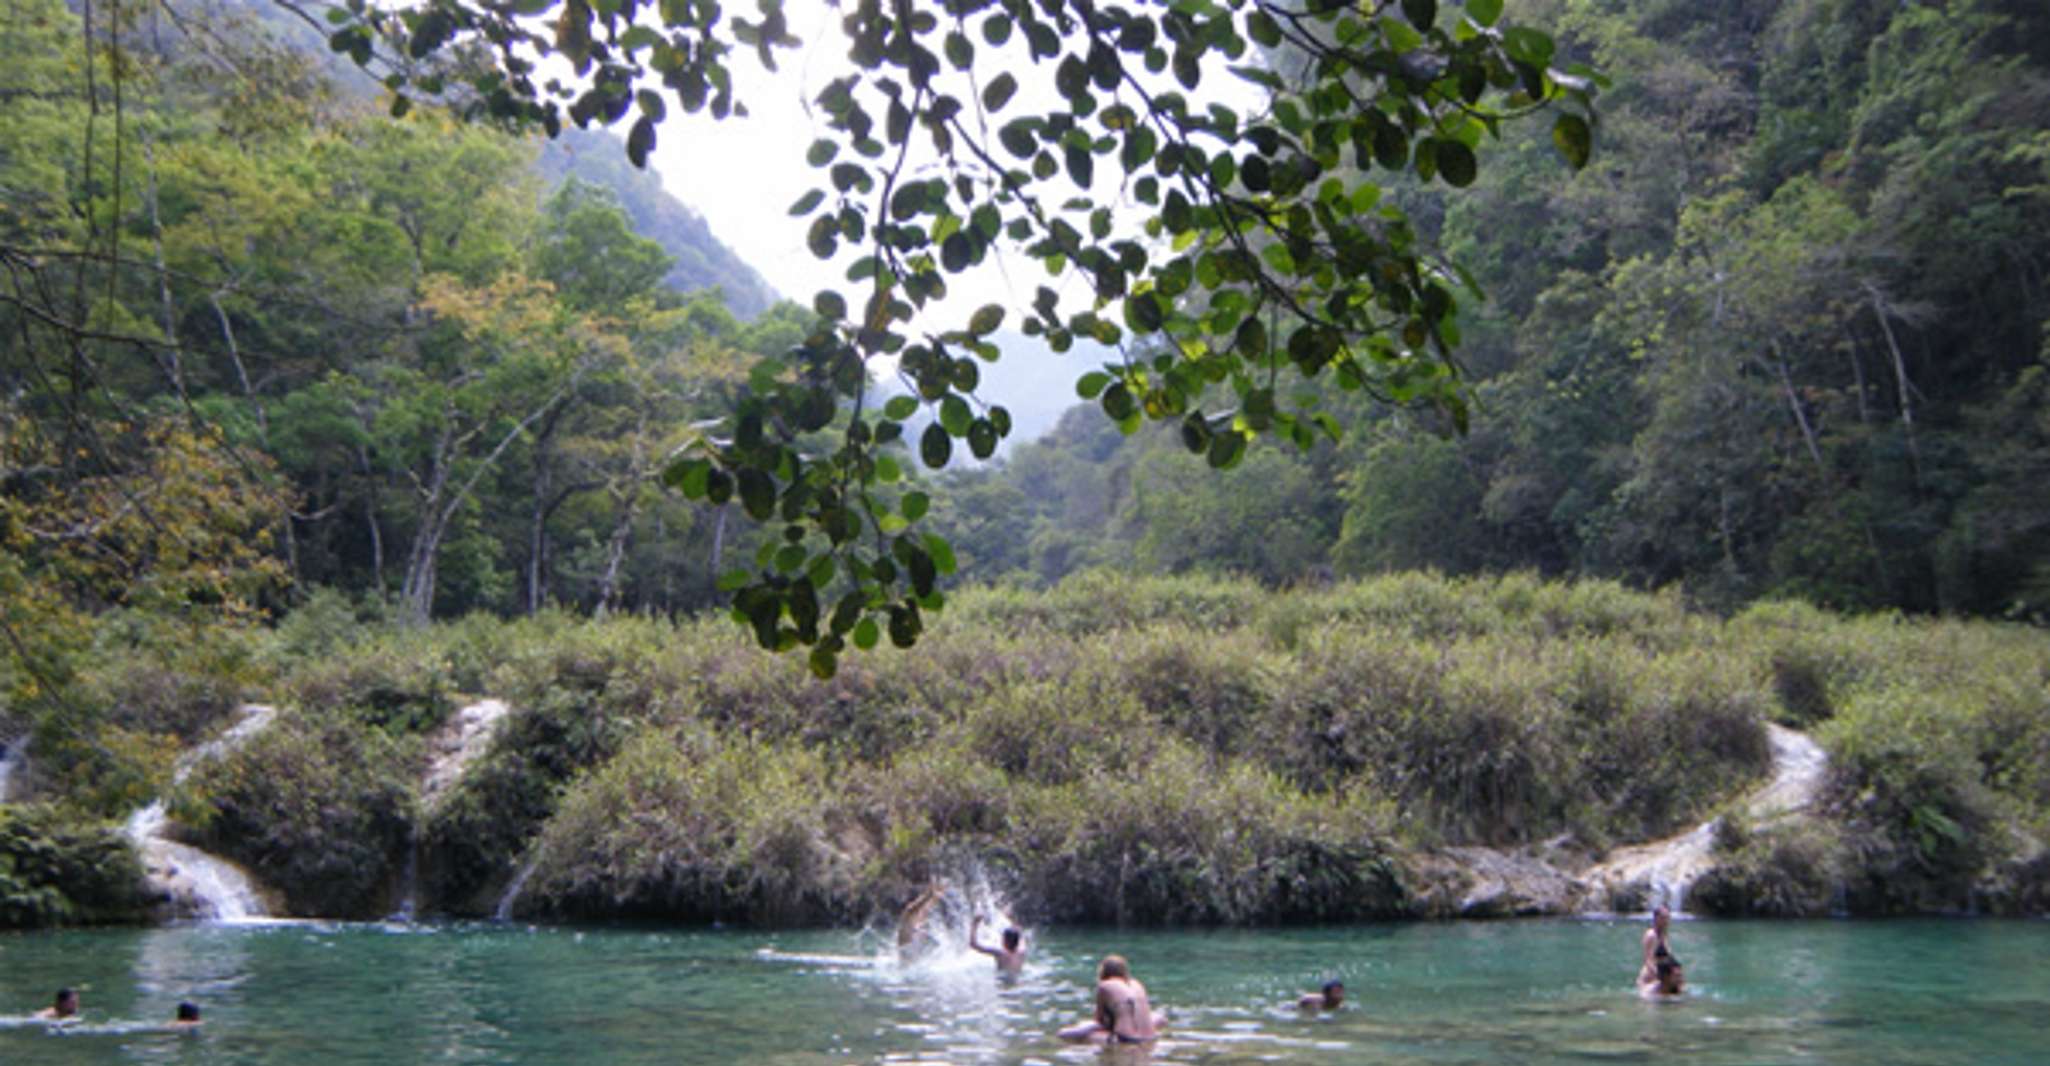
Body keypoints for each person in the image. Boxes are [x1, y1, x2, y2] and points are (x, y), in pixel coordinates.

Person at [1059, 955, 1163, 1044]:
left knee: (1065, 1034)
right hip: (1150, 1037)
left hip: (1126, 1039)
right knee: (1156, 1017)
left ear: (1103, 972)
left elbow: (1099, 1021)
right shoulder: (1136, 983)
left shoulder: (1104, 986)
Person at [1637, 905, 1673, 986]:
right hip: (1649, 978)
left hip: (1661, 977)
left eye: (1667, 918)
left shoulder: (1663, 935)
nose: (1666, 921)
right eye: (1663, 918)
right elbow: (1648, 960)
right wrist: (1659, 976)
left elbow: (1668, 957)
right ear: (1656, 918)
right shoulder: (1651, 935)